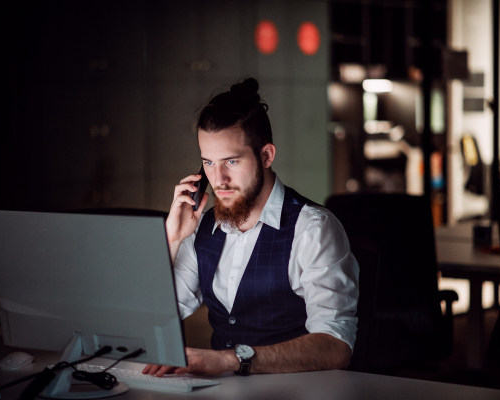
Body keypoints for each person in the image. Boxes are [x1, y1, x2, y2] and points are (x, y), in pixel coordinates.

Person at [143, 78, 359, 377]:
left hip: (297, 391)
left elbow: (336, 347)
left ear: (267, 155)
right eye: (208, 162)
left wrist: (230, 360)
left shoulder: (313, 229)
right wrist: (172, 239)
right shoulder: (203, 228)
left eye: (231, 161)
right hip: (221, 392)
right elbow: (148, 319)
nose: (218, 179)